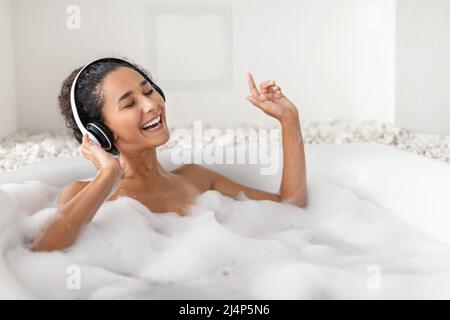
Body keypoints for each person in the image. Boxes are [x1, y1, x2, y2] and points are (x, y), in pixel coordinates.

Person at [31, 57, 307, 252]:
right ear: (100, 131)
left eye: (149, 91)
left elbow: (290, 206)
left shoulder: (197, 178)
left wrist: (289, 120)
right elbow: (45, 247)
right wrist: (108, 174)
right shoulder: (86, 193)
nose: (151, 105)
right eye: (129, 103)